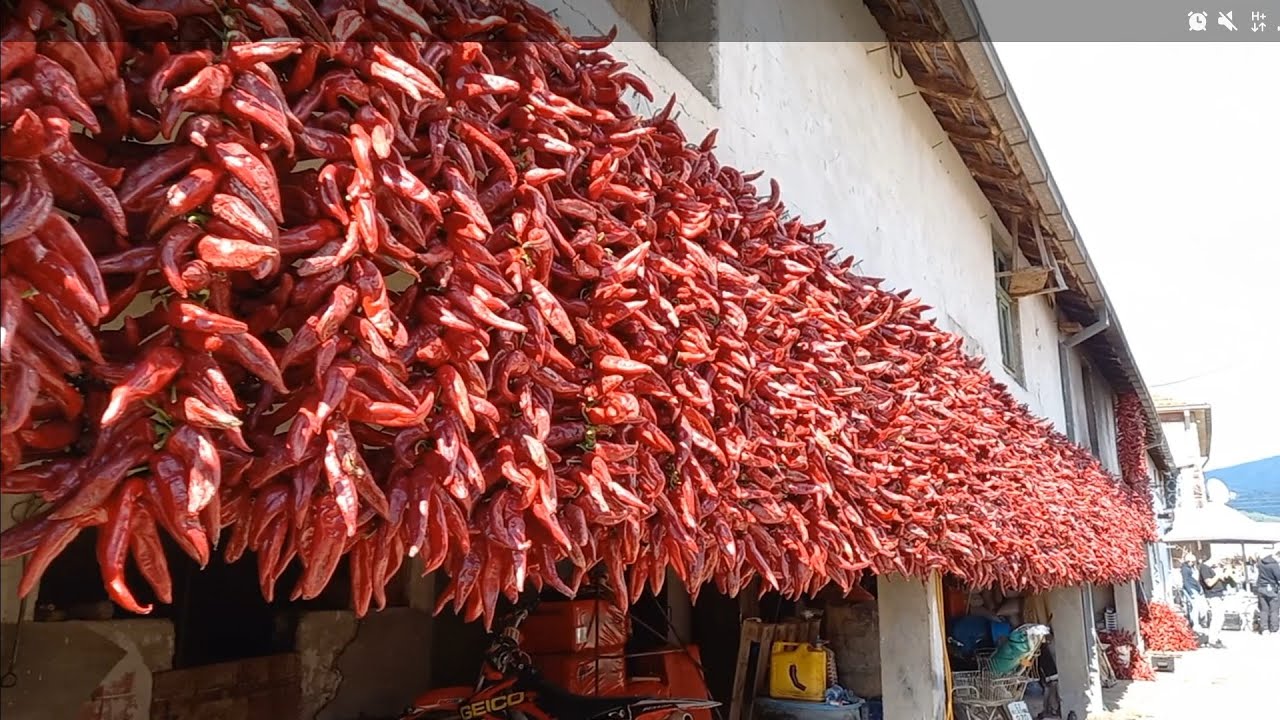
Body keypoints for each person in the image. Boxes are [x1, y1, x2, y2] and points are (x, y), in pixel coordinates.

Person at [1200, 556, 1228, 648]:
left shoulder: (1211, 569)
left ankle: (1215, 637)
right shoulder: (1204, 568)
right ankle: (1212, 639)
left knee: (1220, 617)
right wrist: (1218, 575)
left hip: (1218, 595)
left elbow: (1224, 579)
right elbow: (1209, 583)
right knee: (1217, 617)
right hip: (1212, 595)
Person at [1256, 550, 1280, 635]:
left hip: (1261, 588)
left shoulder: (1260, 564)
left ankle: (1264, 629)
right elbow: (1278, 577)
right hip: (1272, 589)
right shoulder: (1274, 565)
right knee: (1274, 610)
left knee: (1264, 610)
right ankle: (1274, 628)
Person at [1180, 553, 1207, 631]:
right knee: (1195, 607)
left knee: (1197, 607)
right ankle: (1195, 623)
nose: (1192, 563)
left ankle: (1197, 623)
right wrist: (1190, 592)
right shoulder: (1185, 569)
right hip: (1191, 589)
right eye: (1191, 562)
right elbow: (1185, 581)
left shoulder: (1188, 568)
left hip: (1193, 588)